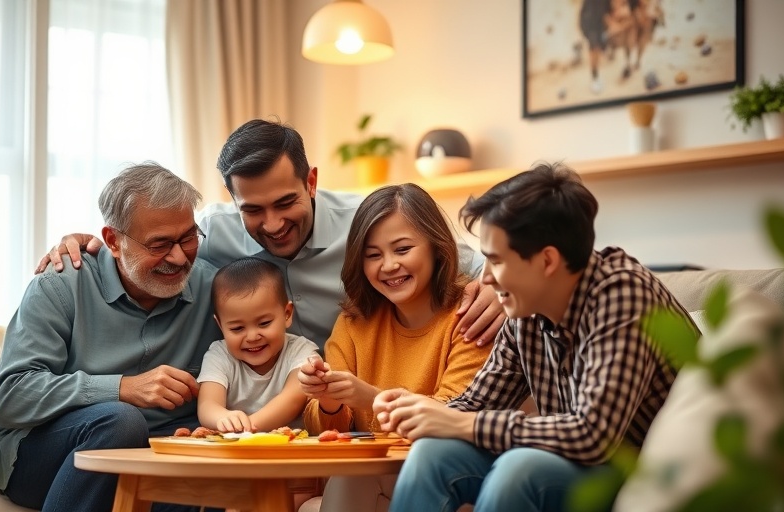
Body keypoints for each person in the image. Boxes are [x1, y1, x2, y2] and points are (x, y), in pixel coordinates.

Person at [373, 163, 688, 512]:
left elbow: (593, 436)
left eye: (496, 261)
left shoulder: (622, 295)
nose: (487, 279)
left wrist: (463, 422)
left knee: (519, 469)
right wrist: (419, 410)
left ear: (547, 260)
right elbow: (477, 404)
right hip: (575, 463)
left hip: (645, 474)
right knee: (433, 453)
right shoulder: (526, 311)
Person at [36, 119, 506, 349]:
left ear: (312, 182)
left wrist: (496, 288)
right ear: (232, 200)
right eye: (253, 211)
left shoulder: (371, 223)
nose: (274, 224)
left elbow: (475, 261)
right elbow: (141, 238)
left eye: (286, 203)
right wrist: (81, 242)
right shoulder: (209, 234)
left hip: (349, 400)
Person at [0, 163, 223, 512]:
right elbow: (11, 396)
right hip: (47, 452)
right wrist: (123, 388)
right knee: (121, 421)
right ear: (113, 241)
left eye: (188, 237)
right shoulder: (60, 285)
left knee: (205, 477)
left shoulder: (213, 288)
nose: (178, 256)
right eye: (159, 244)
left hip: (156, 455)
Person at [296, 184, 494, 512]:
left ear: (436, 247)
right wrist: (329, 402)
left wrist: (369, 398)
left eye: (402, 250)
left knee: (350, 479)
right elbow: (327, 436)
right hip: (372, 478)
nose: (388, 266)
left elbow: (454, 415)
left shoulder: (469, 315)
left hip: (444, 476)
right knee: (334, 487)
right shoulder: (354, 322)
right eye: (373, 255)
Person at [197, 257, 318, 432]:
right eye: (237, 328)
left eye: (264, 323)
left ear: (287, 314)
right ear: (220, 325)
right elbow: (207, 405)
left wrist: (246, 428)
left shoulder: (301, 351)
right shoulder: (219, 355)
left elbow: (293, 400)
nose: (252, 337)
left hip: (290, 450)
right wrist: (222, 418)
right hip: (237, 451)